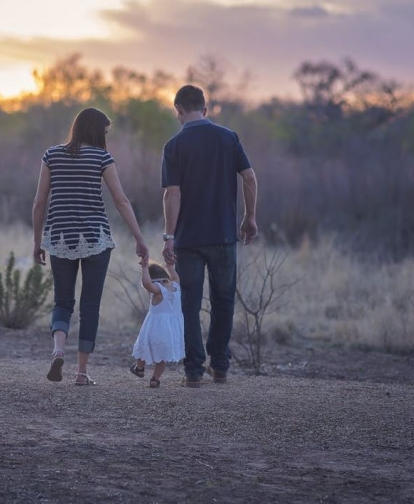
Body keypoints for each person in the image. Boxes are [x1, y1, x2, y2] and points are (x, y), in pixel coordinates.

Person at [32, 107, 149, 386]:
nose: (106, 137)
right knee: (90, 306)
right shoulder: (101, 157)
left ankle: (58, 350)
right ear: (96, 131)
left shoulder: (51, 155)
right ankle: (81, 373)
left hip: (59, 238)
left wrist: (38, 242)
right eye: (105, 132)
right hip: (95, 239)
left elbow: (39, 202)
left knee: (62, 301)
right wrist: (139, 238)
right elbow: (121, 201)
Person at [161, 85, 258, 388]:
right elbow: (250, 177)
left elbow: (172, 194)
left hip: (189, 239)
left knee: (190, 303)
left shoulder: (174, 145)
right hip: (224, 235)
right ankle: (220, 366)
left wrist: (169, 235)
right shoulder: (228, 138)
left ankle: (192, 371)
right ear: (205, 108)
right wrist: (249, 217)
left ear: (178, 109)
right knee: (223, 300)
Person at [130, 260, 185, 388]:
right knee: (162, 357)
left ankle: (139, 368)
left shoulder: (158, 290)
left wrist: (144, 268)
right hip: (171, 330)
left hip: (155, 327)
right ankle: (155, 379)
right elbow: (175, 276)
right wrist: (170, 267)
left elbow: (146, 283)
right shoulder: (176, 286)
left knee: (142, 346)